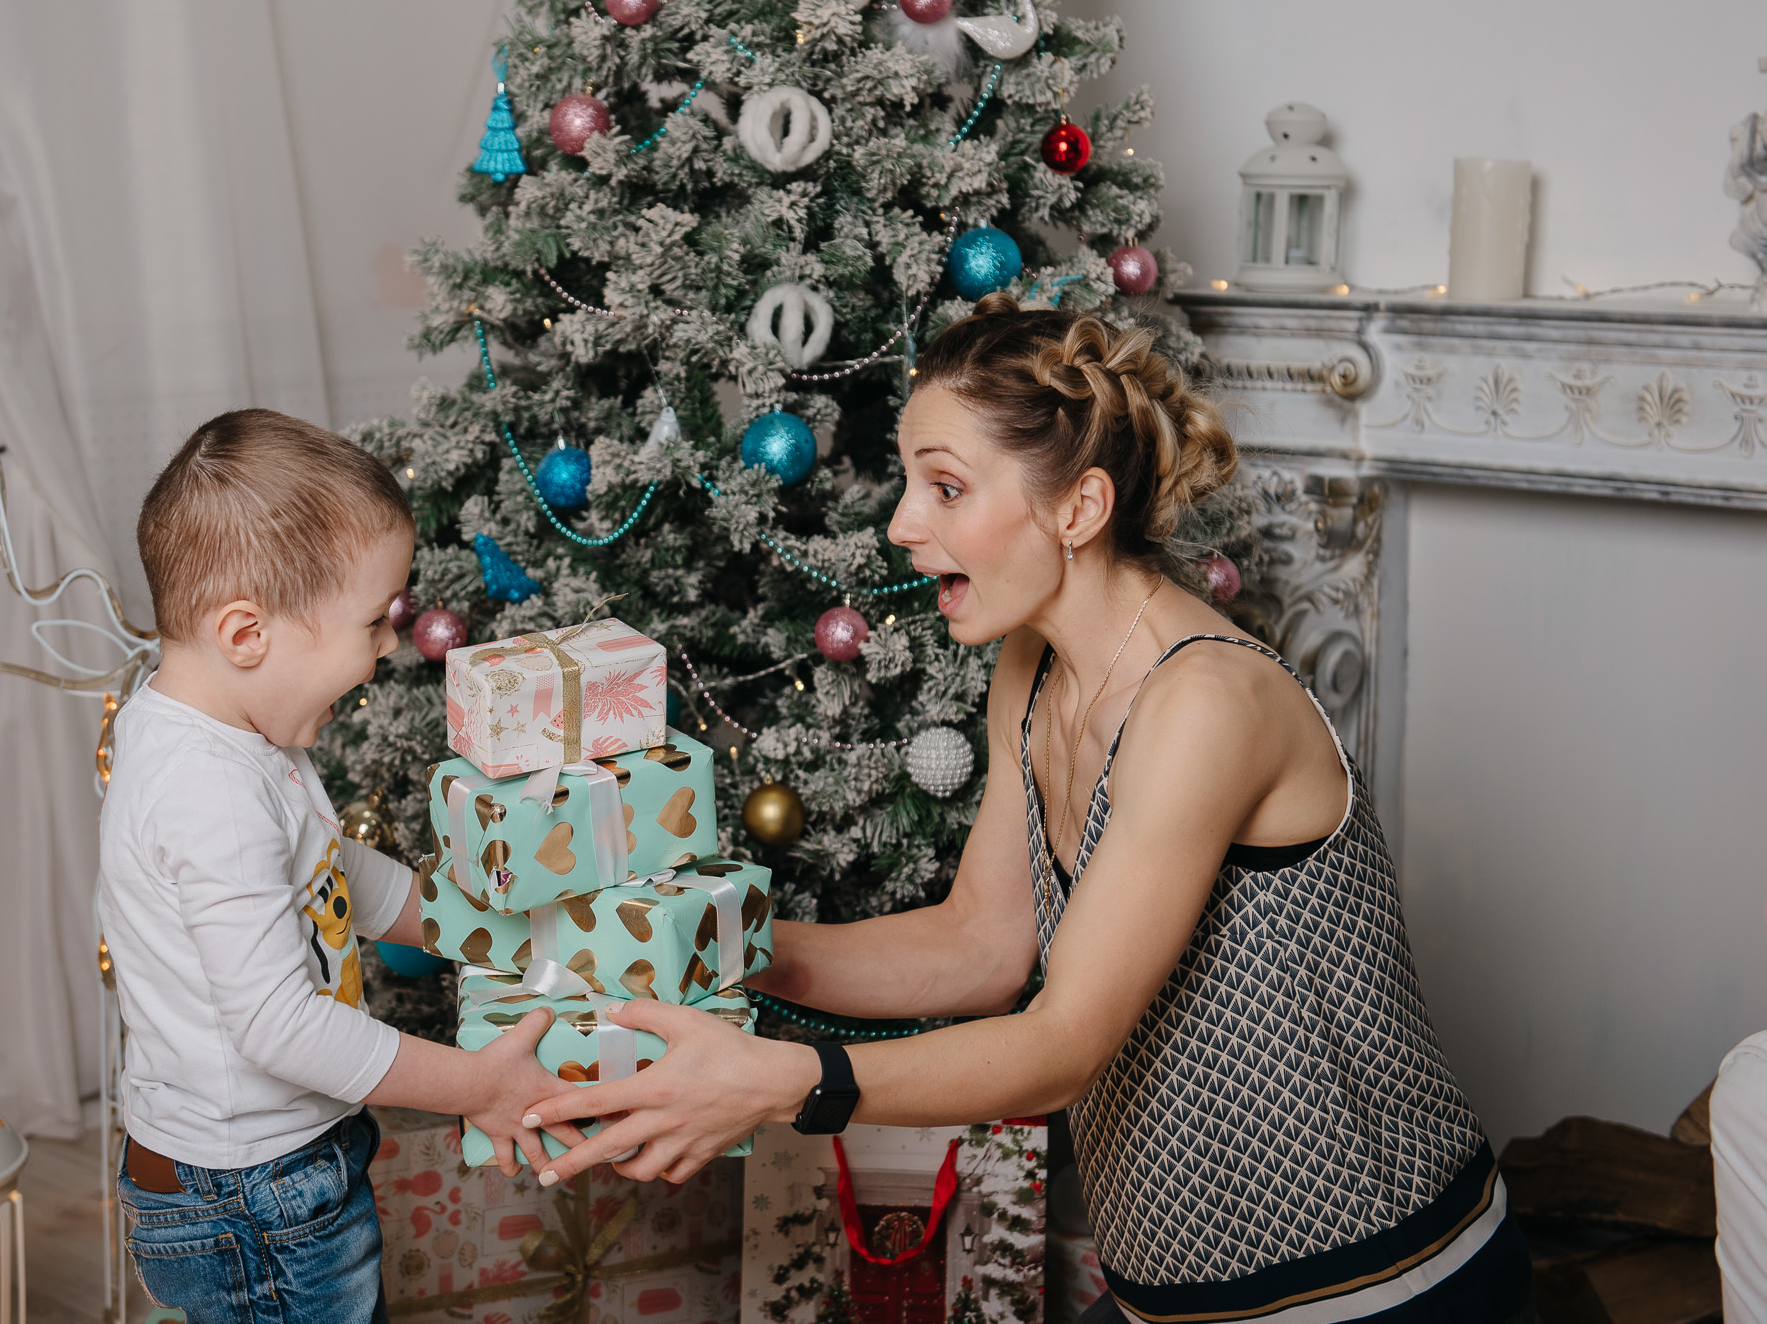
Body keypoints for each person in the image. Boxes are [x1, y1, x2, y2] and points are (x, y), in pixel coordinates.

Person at [520, 297, 1536, 1323]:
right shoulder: (1032, 663)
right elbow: (980, 946)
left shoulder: (1203, 703)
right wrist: (710, 945)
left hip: (1375, 1286)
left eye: (945, 487)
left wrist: (783, 1080)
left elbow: (1060, 1045)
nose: (900, 523)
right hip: (1171, 1297)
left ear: (1078, 510)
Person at [99, 409, 576, 1323]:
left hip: (269, 1176)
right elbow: (279, 1024)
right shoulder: (210, 790)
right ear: (247, 635)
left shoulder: (225, 731)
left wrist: (460, 921)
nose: (390, 647)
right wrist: (476, 1082)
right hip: (253, 1198)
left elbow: (326, 865)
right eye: (373, 621)